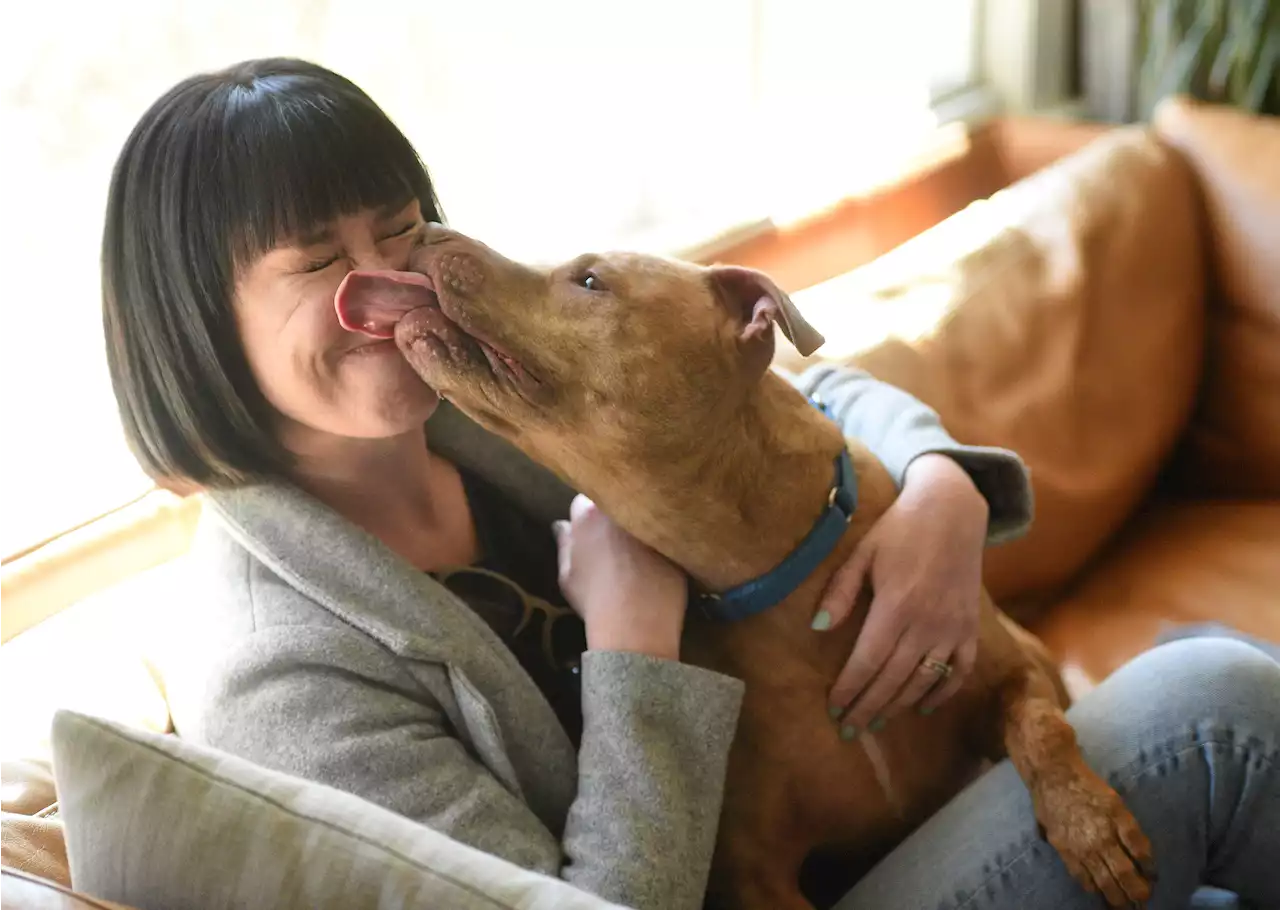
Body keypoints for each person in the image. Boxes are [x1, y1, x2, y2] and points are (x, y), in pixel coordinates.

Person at [101, 58, 1280, 910]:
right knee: (1213, 705)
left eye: (402, 228)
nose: (389, 282)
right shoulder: (277, 678)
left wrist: (934, 485)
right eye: (315, 263)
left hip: (915, 830)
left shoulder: (492, 409)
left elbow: (772, 400)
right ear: (198, 333)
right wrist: (631, 645)